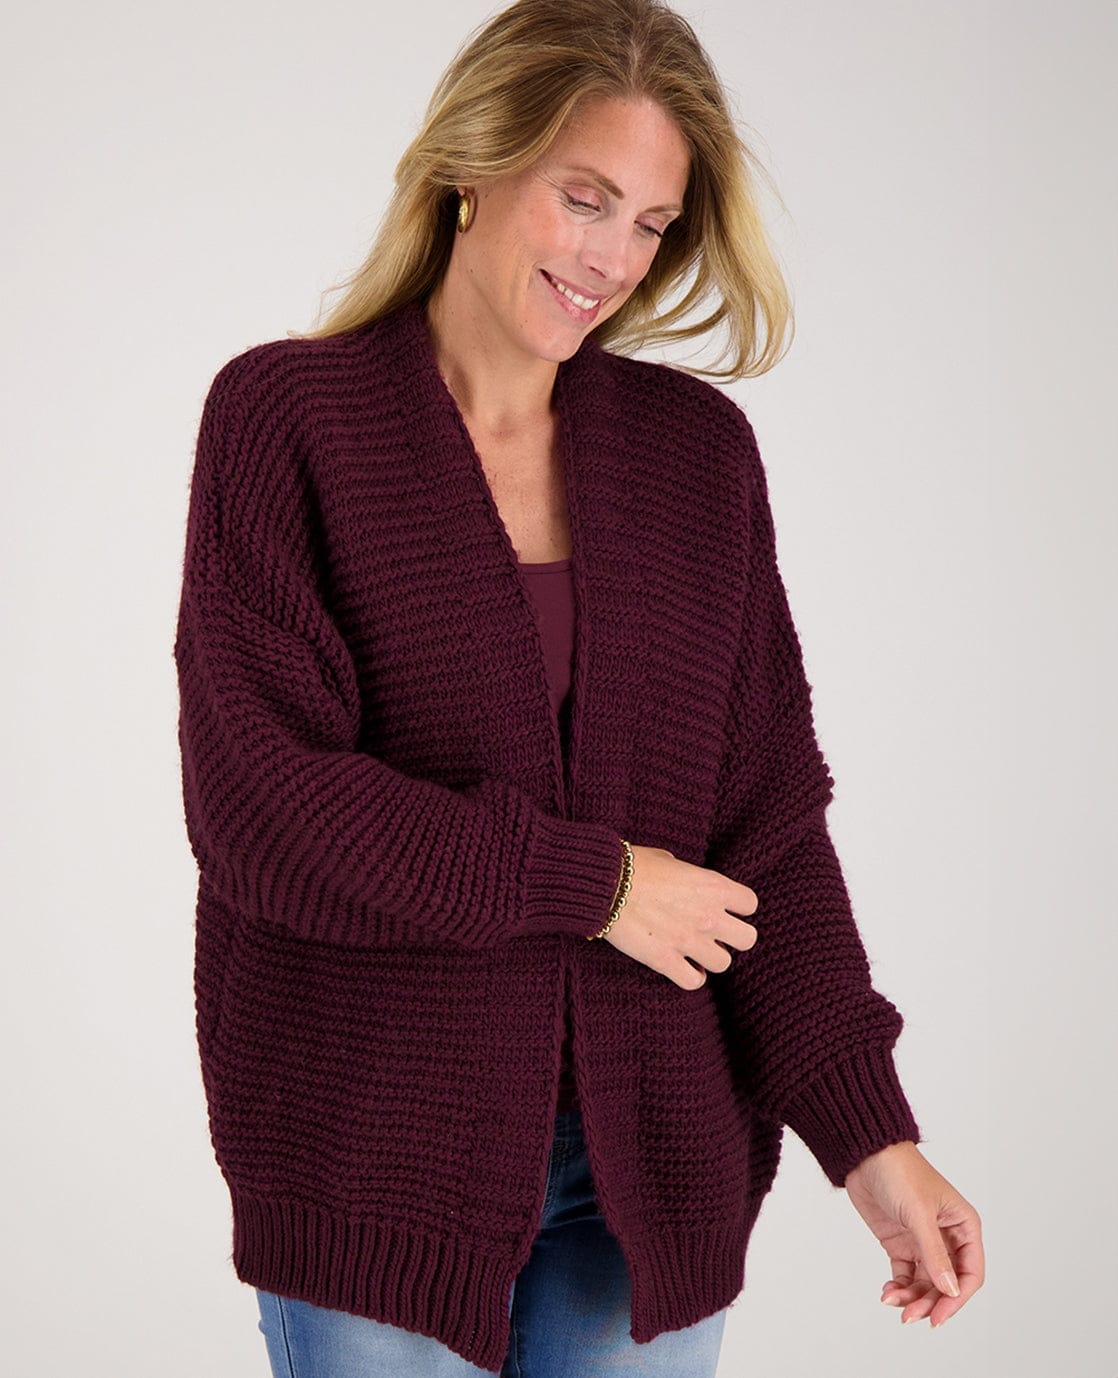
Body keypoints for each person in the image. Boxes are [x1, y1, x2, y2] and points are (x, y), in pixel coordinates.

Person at [173, 1, 985, 1374]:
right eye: (584, 197)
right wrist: (596, 884)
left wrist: (870, 1137)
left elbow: (766, 828)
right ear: (472, 165)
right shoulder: (289, 420)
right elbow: (265, 811)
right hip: (371, 1155)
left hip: (651, 1170)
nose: (612, 258)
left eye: (651, 223)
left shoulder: (695, 457)